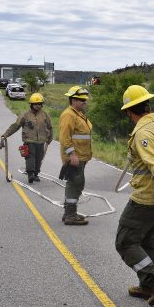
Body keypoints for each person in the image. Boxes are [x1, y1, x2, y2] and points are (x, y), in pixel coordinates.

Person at [116, 85, 154, 306]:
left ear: (129, 111)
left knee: (125, 241)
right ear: (147, 105)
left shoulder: (144, 132)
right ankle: (147, 286)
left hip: (149, 196)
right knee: (147, 239)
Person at [0, 93, 53, 184]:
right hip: (29, 141)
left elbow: (50, 127)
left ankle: (36, 174)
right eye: (36, 104)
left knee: (39, 158)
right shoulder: (25, 115)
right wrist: (5, 135)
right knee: (30, 157)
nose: (38, 106)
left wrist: (49, 139)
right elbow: (16, 126)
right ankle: (30, 174)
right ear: (31, 104)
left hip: (41, 141)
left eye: (40, 104)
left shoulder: (45, 115)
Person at [58, 86, 92, 226]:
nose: (85, 101)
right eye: (81, 99)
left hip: (81, 156)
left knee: (77, 183)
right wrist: (72, 154)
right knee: (75, 183)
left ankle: (69, 213)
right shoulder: (69, 115)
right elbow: (65, 137)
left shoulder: (78, 113)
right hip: (74, 156)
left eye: (85, 99)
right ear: (73, 100)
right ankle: (70, 215)